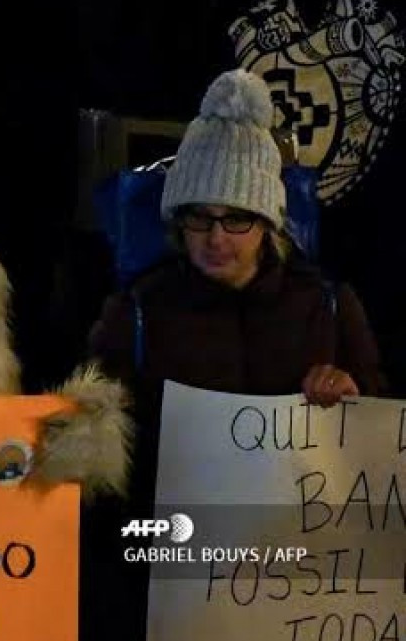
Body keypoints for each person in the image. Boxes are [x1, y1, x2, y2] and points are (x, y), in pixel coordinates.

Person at [81, 68, 384, 641]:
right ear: (178, 221)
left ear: (268, 222)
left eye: (237, 217)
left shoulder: (329, 304)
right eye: (200, 215)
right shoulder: (137, 310)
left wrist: (351, 396)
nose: (216, 237)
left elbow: (378, 433)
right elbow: (102, 471)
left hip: (299, 574)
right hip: (172, 564)